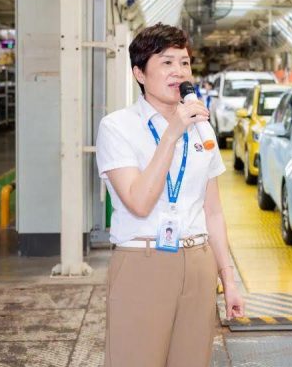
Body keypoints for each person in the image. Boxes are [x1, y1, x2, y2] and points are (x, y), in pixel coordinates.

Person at [96, 23, 245, 367]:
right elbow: (139, 201)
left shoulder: (201, 129)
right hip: (142, 262)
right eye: (166, 62)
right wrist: (172, 134)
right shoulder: (117, 127)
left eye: (184, 63)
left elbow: (214, 212)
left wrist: (229, 280)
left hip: (197, 261)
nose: (178, 71)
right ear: (139, 73)